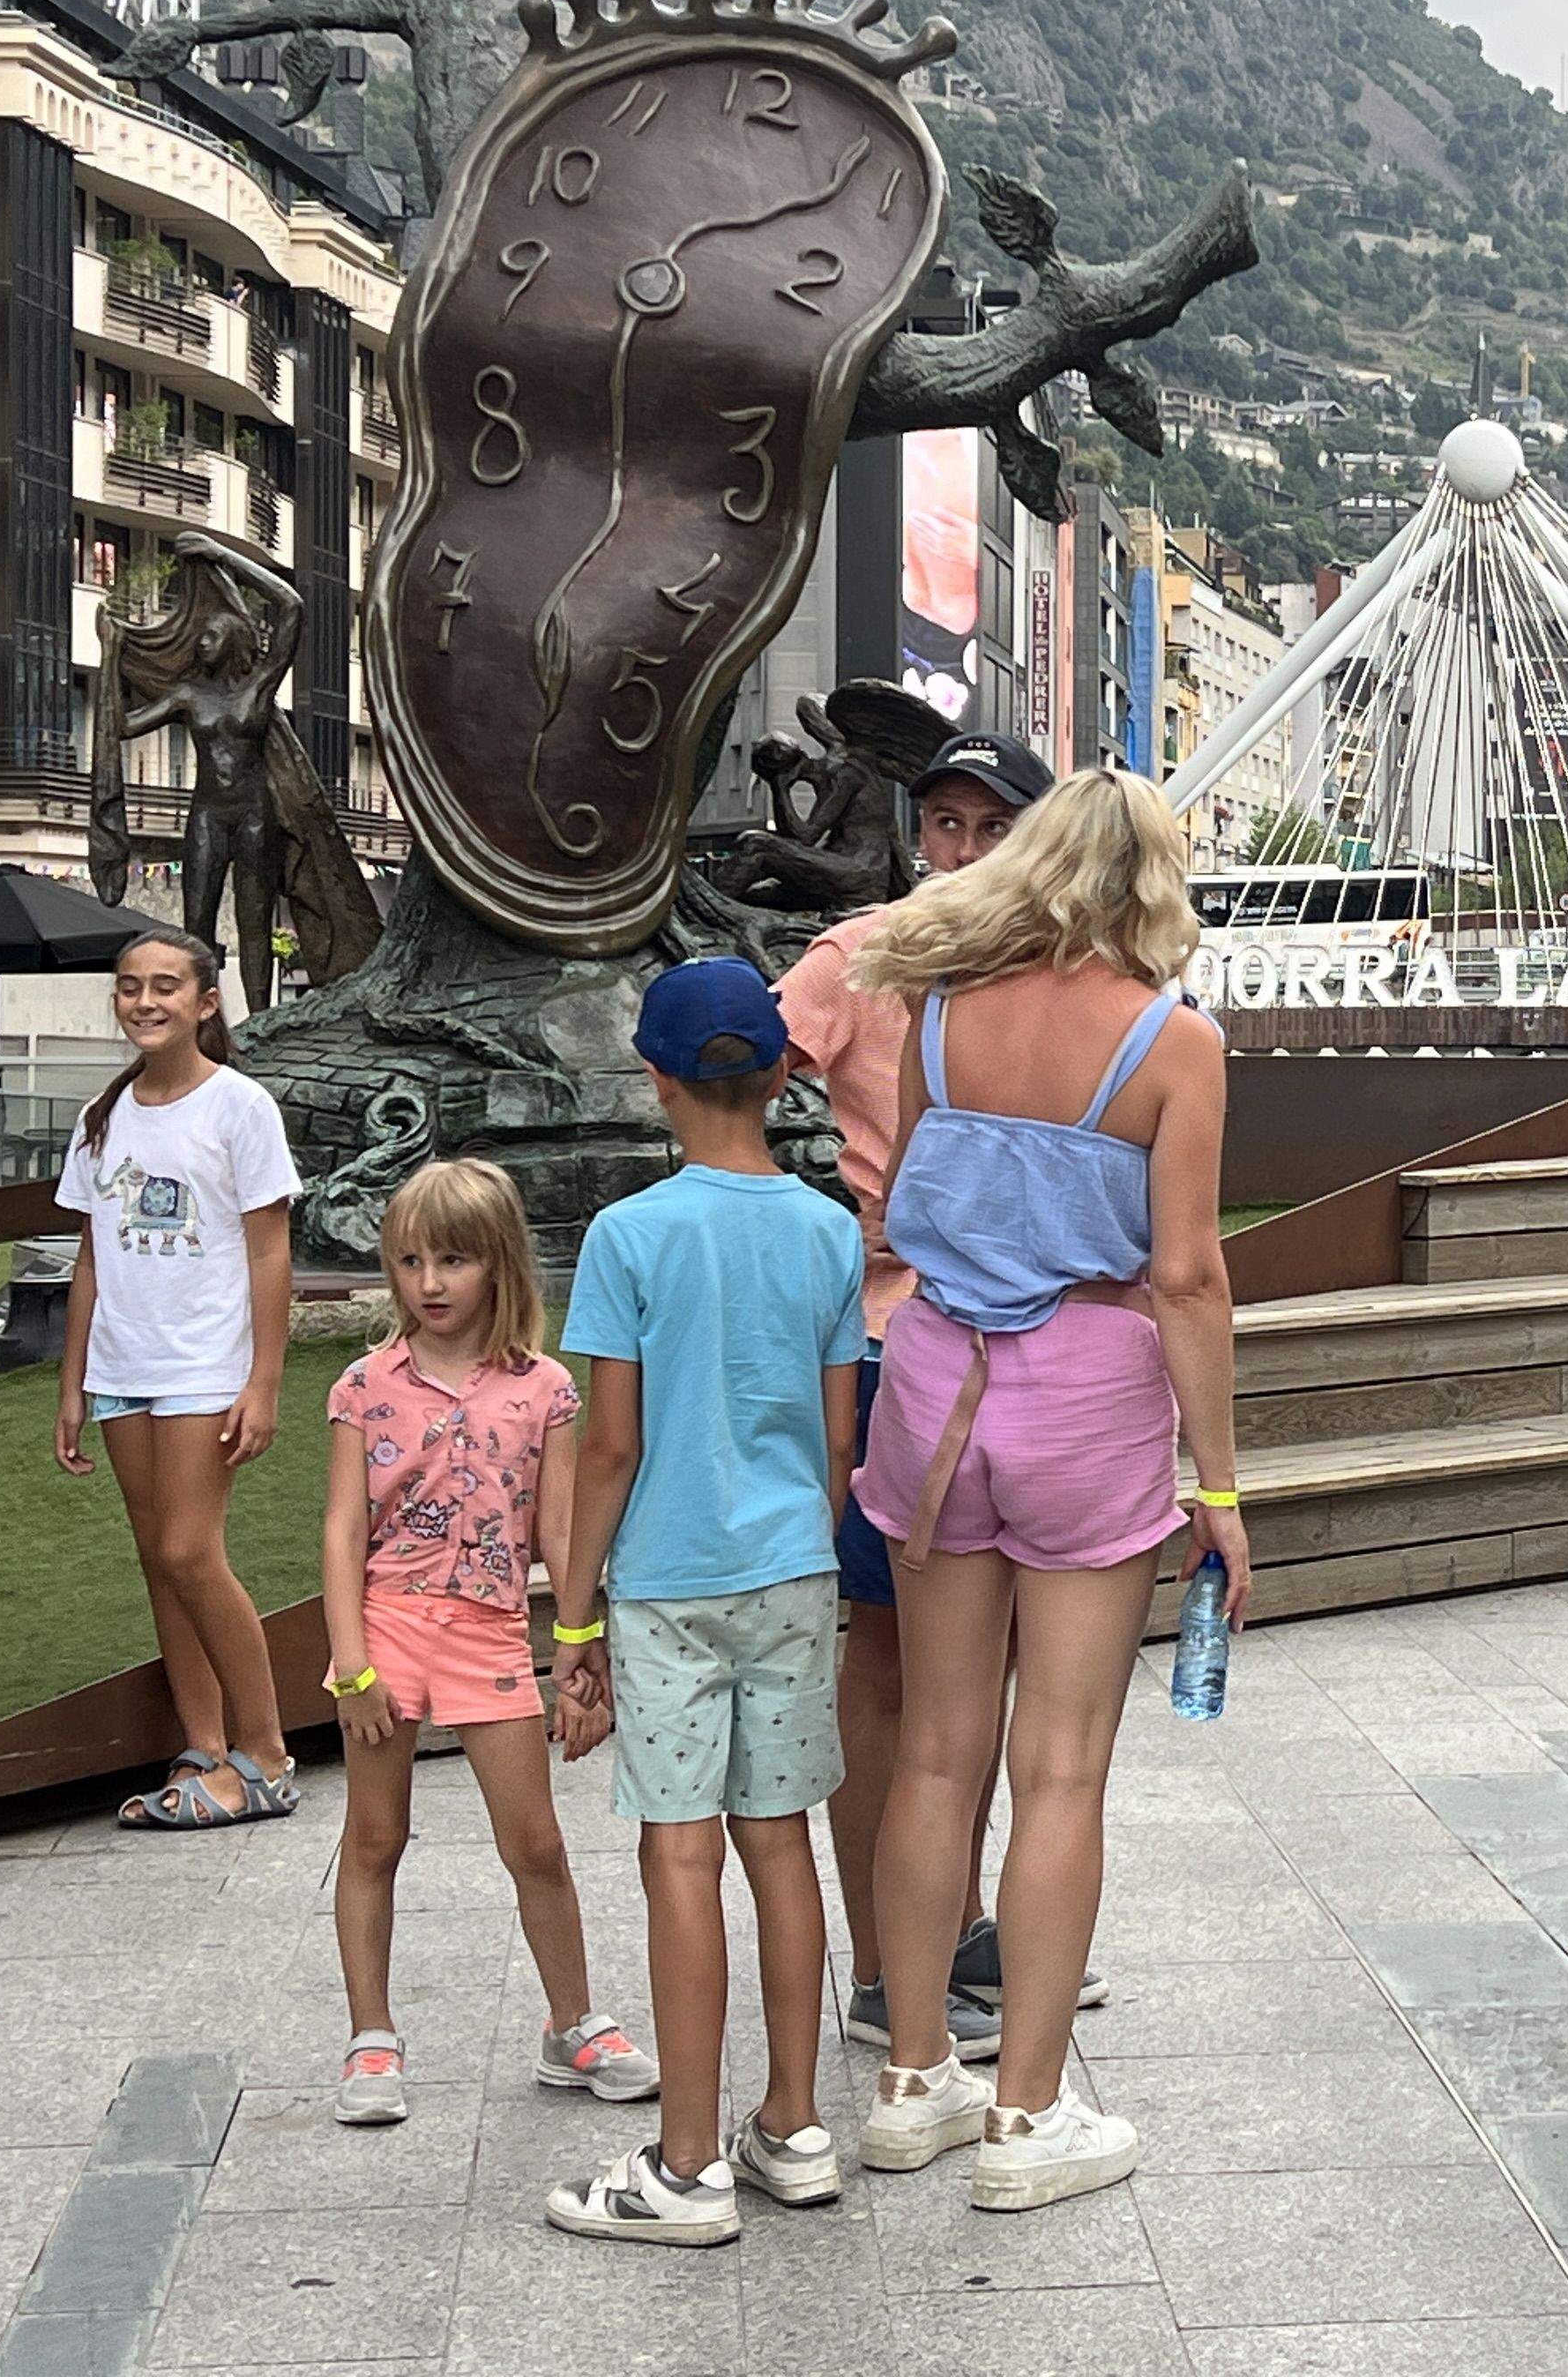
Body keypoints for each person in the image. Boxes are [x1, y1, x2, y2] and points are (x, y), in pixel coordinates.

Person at [845, 770, 1248, 2210]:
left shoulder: (938, 1011)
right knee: (1060, 1762)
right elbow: (1187, 1272)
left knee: (935, 1751)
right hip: (1085, 1391)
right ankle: (1025, 2108)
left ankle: (908, 2079)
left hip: (935, 1383)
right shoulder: (1171, 1039)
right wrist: (1219, 1483)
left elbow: (899, 1205)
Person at [775, 730, 1102, 2059]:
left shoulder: (1056, 973)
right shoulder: (864, 952)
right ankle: (880, 1955)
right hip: (889, 1341)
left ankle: (960, 1924)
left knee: (986, 1671)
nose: (959, 852)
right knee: (893, 1664)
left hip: (1025, 1354)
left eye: (987, 827)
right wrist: (799, 1220)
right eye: (943, 824)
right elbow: (727, 1064)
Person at [544, 960, 866, 2245]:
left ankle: (685, 2166)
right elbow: (841, 1437)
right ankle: (791, 2127)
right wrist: (805, 1537)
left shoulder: (628, 1236)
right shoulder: (830, 1230)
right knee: (778, 1839)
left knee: (679, 1849)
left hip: (669, 1582)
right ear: (785, 1072)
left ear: (656, 1081)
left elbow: (608, 1449)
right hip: (792, 1565)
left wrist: (574, 1618)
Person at [320, 1158, 657, 2126]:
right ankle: (372, 2038)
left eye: (454, 1260)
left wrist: (584, 1642)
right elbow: (343, 1530)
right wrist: (352, 1664)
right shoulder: (361, 1385)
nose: (430, 1282)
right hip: (385, 1629)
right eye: (411, 1260)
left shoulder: (546, 1391)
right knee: (375, 1838)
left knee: (537, 1843)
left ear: (499, 1265)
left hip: (492, 1635)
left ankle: (572, 2024)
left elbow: (559, 1533)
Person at [53, 929, 302, 1831]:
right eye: (129, 987)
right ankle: (204, 1745)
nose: (144, 1002)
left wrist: (264, 1381)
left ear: (205, 1002)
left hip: (206, 1365)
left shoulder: (240, 1107)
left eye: (165, 986)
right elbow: (88, 1259)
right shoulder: (104, 1115)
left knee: (195, 1551)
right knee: (160, 1561)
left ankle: (266, 1754)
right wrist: (73, 1382)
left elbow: (272, 1251)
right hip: (124, 1367)